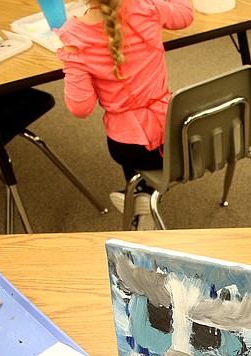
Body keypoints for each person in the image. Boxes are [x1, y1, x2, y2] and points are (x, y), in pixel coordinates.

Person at [57, 0, 195, 230]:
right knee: (140, 130)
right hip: (178, 136)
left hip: (129, 148)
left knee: (126, 129)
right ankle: (145, 196)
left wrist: (71, 60)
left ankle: (142, 196)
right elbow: (185, 15)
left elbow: (80, 108)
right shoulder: (148, 8)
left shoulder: (75, 36)